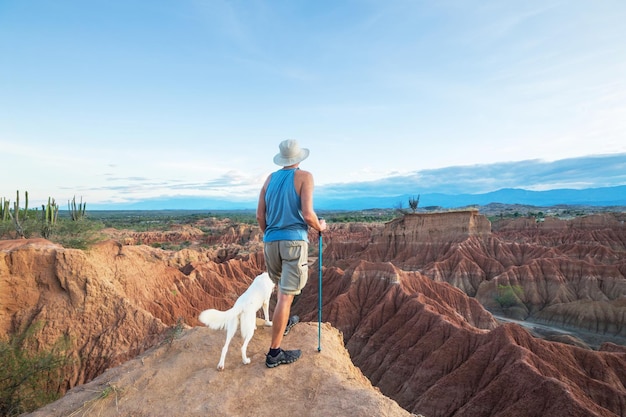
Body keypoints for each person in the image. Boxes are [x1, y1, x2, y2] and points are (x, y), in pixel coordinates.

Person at [256, 139, 327, 368]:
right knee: (287, 295)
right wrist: (320, 227)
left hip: (270, 242)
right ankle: (274, 354)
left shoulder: (269, 179)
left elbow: (260, 215)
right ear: (298, 158)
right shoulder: (305, 176)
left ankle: (283, 322)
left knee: (282, 291)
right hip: (294, 242)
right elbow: (307, 214)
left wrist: (270, 235)